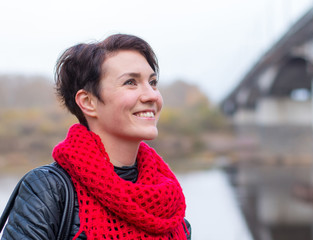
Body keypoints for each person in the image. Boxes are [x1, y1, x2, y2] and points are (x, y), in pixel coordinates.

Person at [1, 33, 191, 239]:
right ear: (88, 102)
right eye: (130, 82)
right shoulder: (48, 191)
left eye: (152, 82)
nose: (152, 95)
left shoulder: (168, 205)